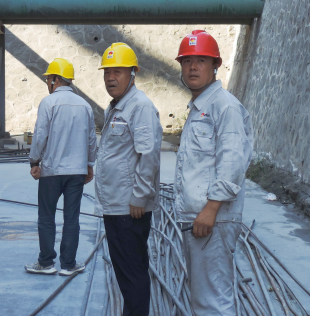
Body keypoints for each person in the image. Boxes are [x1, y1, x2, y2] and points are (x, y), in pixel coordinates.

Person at [175, 30, 253, 316]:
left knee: (213, 302)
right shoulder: (200, 108)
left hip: (213, 220)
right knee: (204, 298)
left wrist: (211, 209)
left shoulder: (224, 106)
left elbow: (232, 162)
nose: (193, 67)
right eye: (187, 61)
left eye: (201, 61)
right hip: (200, 218)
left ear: (215, 65)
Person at [95, 43, 162, 316]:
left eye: (118, 72)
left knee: (132, 275)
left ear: (133, 74)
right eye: (107, 72)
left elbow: (149, 155)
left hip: (129, 208)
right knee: (126, 274)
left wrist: (139, 196)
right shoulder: (117, 107)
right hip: (116, 205)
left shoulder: (139, 107)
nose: (111, 78)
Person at [24, 58, 97, 276]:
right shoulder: (85, 105)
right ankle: (68, 264)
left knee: (47, 217)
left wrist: (34, 161)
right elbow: (91, 140)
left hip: (52, 172)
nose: (48, 83)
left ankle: (46, 263)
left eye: (48, 79)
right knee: (71, 218)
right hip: (77, 172)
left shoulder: (49, 103)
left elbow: (40, 136)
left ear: (55, 79)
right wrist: (89, 164)